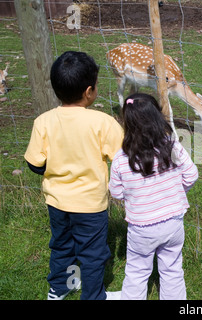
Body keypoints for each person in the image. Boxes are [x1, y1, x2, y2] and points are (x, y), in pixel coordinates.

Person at [24, 51, 124, 300]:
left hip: (57, 202)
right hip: (91, 204)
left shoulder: (43, 121)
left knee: (62, 246)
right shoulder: (104, 123)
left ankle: (59, 289)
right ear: (89, 91)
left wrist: (58, 166)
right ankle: (93, 296)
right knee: (93, 254)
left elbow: (35, 164)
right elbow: (122, 161)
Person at [109, 93, 198, 300]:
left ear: (127, 123)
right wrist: (177, 191)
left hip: (141, 227)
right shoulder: (172, 146)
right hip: (173, 222)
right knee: (172, 269)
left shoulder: (122, 158)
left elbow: (116, 192)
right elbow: (192, 174)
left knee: (137, 272)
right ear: (158, 118)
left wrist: (132, 197)